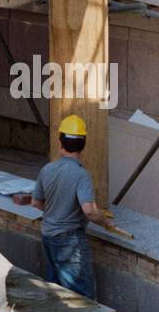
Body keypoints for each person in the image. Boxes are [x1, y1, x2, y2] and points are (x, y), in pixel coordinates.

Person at [32, 115, 107, 299]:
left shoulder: (47, 169)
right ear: (84, 144)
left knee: (56, 290)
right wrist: (103, 220)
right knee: (82, 297)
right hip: (69, 239)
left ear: (60, 142)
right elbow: (88, 210)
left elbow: (36, 203)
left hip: (48, 235)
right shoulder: (81, 175)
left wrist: (56, 212)